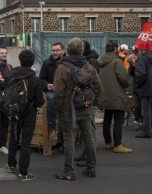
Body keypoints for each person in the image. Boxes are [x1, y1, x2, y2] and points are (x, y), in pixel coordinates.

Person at [53, 38, 103, 180]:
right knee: (89, 136)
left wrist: (59, 107)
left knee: (69, 137)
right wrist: (90, 101)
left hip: (68, 109)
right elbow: (99, 88)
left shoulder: (63, 68)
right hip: (86, 107)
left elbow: (57, 91)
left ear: (67, 51)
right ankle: (91, 167)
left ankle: (69, 170)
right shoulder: (89, 66)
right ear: (82, 50)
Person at [4, 49, 45, 181]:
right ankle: (23, 172)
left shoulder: (12, 75)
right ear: (32, 62)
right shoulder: (34, 79)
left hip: (14, 112)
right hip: (29, 114)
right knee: (26, 143)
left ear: (20, 61)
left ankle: (11, 165)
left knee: (13, 140)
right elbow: (39, 101)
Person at [98, 40, 132, 154]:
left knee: (107, 119)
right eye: (118, 47)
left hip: (105, 94)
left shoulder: (101, 61)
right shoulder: (117, 61)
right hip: (116, 94)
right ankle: (118, 144)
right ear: (114, 49)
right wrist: (127, 83)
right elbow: (124, 78)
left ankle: (108, 142)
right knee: (118, 120)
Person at [133, 47, 152, 139]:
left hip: (146, 86)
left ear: (141, 50)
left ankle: (146, 131)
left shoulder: (142, 59)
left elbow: (141, 74)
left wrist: (138, 85)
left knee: (146, 110)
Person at [39, 42, 64, 141]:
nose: (55, 52)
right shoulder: (47, 63)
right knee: (50, 98)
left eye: (57, 50)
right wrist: (46, 85)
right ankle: (52, 128)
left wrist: (58, 86)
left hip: (64, 90)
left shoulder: (67, 63)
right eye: (53, 50)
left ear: (62, 51)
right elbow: (41, 79)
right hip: (51, 91)